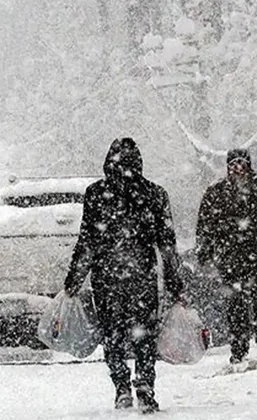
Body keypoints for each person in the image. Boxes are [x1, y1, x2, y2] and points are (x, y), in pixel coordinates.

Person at [64, 137, 184, 414]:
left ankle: (121, 387)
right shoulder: (154, 194)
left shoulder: (96, 194)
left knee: (113, 335)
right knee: (144, 336)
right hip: (142, 277)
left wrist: (74, 279)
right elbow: (167, 244)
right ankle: (145, 386)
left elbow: (88, 242)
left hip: (107, 278)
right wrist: (175, 283)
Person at [196, 148, 257, 364]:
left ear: (249, 165)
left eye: (241, 163)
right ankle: (238, 348)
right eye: (234, 164)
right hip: (230, 258)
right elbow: (205, 226)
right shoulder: (216, 192)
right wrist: (204, 253)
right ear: (228, 167)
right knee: (236, 304)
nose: (238, 168)